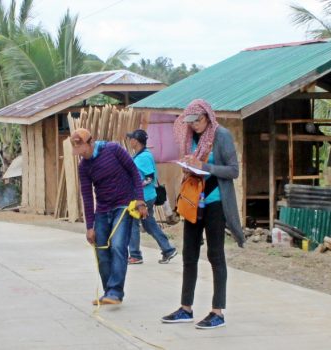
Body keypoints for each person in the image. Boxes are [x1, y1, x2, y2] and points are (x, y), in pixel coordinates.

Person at [161, 99, 245, 329]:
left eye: (198, 120)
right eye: (190, 121)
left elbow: (233, 171)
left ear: (208, 116)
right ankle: (185, 308)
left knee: (215, 255)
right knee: (189, 255)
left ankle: (217, 312)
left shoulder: (222, 135)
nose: (195, 125)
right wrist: (189, 165)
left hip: (216, 202)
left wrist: (204, 167)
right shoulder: (191, 138)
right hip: (193, 203)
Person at [72, 128, 148, 305]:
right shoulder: (83, 167)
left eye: (82, 150)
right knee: (101, 250)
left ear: (90, 142)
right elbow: (87, 196)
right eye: (77, 152)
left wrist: (140, 200)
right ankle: (109, 292)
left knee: (118, 246)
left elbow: (134, 173)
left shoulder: (113, 150)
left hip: (123, 204)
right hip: (103, 208)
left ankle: (115, 291)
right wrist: (89, 227)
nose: (81, 155)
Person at [125, 129, 178, 265]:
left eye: (131, 138)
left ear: (135, 141)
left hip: (144, 197)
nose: (129, 140)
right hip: (144, 196)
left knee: (133, 224)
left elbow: (149, 177)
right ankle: (168, 249)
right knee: (149, 225)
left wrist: (137, 186)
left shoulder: (144, 157)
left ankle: (136, 255)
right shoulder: (140, 155)